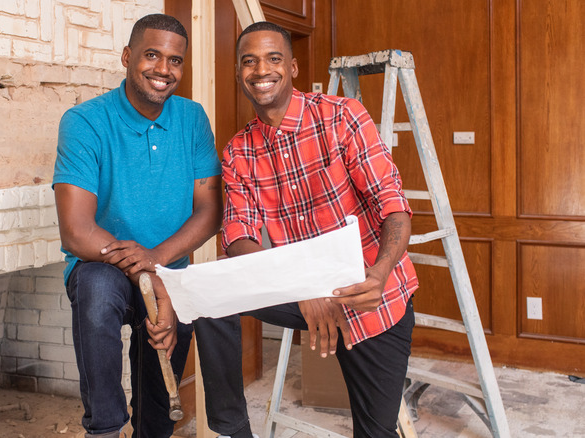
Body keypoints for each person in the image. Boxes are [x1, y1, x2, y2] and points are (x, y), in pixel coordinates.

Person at [194, 21, 419, 438]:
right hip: (301, 292)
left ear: (293, 67)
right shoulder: (238, 150)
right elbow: (238, 236)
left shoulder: (342, 117)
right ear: (239, 72)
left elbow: (394, 208)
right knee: (210, 298)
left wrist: (380, 273)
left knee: (376, 433)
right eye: (249, 61)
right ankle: (234, 432)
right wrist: (300, 288)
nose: (261, 70)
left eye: (273, 59)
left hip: (371, 296)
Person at [52, 14, 222, 438]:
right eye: (152, 55)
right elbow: (75, 230)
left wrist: (157, 264)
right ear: (128, 56)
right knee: (95, 288)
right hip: (106, 266)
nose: (164, 70)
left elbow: (209, 211)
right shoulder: (85, 121)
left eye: (175, 61)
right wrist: (144, 269)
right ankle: (105, 429)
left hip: (168, 270)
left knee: (157, 406)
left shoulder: (193, 119)